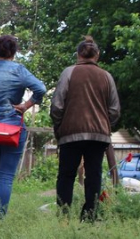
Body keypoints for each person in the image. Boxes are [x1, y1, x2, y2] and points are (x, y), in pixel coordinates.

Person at [0, 35, 45, 216]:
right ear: (14, 52)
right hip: (13, 128)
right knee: (5, 176)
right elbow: (41, 89)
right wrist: (26, 105)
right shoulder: (18, 70)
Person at [50, 36, 120, 221]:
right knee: (94, 175)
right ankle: (89, 216)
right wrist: (104, 124)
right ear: (97, 55)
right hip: (98, 136)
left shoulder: (69, 72)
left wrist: (60, 126)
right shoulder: (106, 76)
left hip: (70, 134)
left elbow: (57, 106)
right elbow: (114, 110)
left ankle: (64, 216)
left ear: (78, 54)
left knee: (66, 176)